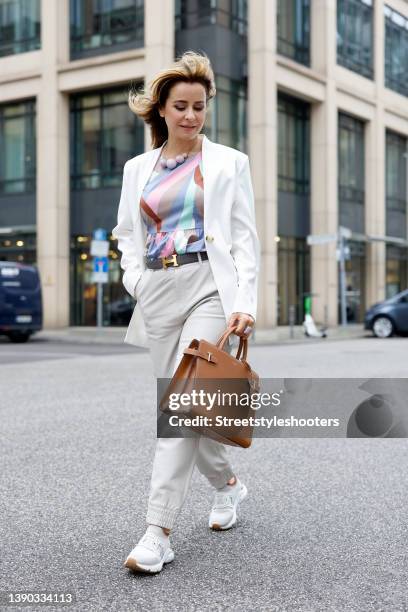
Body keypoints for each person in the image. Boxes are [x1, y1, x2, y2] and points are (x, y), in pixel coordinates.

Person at [112, 51, 260, 574]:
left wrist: (245, 304)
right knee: (191, 411)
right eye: (181, 106)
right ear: (161, 110)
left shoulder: (228, 163)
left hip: (209, 287)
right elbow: (127, 235)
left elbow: (244, 242)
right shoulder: (137, 169)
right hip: (157, 289)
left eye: (199, 106)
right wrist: (135, 280)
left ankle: (158, 531)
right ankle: (228, 486)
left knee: (178, 409)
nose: (191, 116)